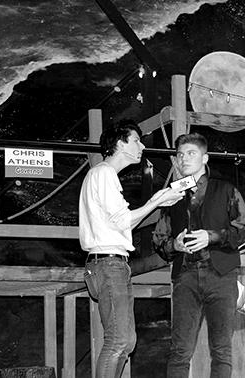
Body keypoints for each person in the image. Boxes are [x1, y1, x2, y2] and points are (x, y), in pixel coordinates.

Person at [79, 119, 185, 378]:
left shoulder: (104, 176)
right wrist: (156, 201)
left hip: (112, 263)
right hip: (108, 263)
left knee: (126, 341)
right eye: (136, 140)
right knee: (117, 341)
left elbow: (121, 220)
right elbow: (124, 220)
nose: (141, 146)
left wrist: (159, 201)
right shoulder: (103, 173)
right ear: (119, 144)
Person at [152, 132, 245, 378]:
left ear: (205, 158)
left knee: (221, 350)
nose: (184, 158)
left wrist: (213, 236)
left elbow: (244, 231)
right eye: (180, 154)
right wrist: (174, 245)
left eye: (191, 153)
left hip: (221, 275)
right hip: (185, 278)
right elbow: (159, 239)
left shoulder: (226, 190)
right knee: (179, 351)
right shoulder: (172, 195)